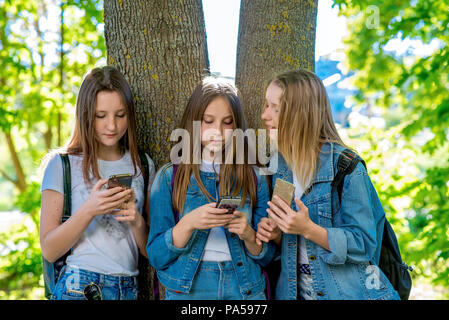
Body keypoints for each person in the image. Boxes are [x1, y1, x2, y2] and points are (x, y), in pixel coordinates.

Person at [255, 69, 400, 300]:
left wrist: (309, 229)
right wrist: (276, 235)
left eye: (275, 108)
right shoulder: (277, 168)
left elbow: (364, 244)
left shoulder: (346, 167)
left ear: (299, 113)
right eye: (266, 105)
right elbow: (288, 249)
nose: (264, 115)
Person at [147, 77, 276, 300]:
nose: (218, 130)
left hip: (244, 288)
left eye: (227, 122)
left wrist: (248, 234)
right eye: (208, 121)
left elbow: (268, 256)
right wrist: (187, 224)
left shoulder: (253, 176)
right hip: (189, 290)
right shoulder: (170, 176)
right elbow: (156, 255)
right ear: (193, 122)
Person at [40, 66, 155, 300]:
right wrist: (90, 209)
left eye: (120, 115)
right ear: (85, 115)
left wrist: (135, 219)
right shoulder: (62, 164)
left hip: (129, 289)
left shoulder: (142, 164)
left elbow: (149, 252)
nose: (111, 126)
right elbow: (49, 250)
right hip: (79, 286)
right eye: (100, 116)